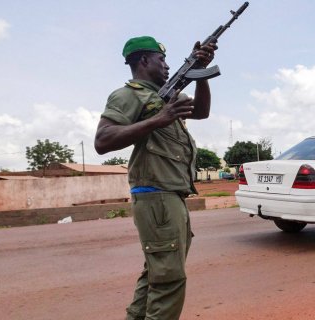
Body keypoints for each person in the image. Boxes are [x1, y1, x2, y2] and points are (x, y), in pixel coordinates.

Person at [94, 36, 216, 320]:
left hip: (170, 196)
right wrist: (158, 120)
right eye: (161, 59)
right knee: (169, 280)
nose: (167, 65)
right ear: (144, 60)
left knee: (158, 273)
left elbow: (202, 111)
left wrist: (200, 73)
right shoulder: (128, 95)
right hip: (156, 196)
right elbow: (102, 140)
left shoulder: (165, 95)